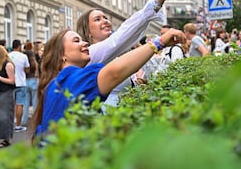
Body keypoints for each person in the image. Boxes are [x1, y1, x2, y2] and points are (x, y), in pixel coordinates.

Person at [30, 28, 186, 137]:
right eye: (76, 41)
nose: (84, 43)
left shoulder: (58, 82)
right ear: (61, 55)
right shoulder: (69, 78)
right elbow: (114, 73)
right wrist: (159, 42)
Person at [76, 0, 180, 107]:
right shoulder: (90, 54)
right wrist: (156, 3)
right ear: (88, 31)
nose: (105, 21)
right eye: (97, 19)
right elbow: (121, 37)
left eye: (105, 18)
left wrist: (136, 82)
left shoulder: (116, 53)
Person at [9, 39, 30, 132]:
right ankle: (18, 125)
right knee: (20, 104)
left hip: (10, 83)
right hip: (21, 82)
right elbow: (27, 69)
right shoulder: (23, 56)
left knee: (10, 104)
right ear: (19, 46)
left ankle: (10, 124)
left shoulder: (8, 56)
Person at [21, 49, 39, 126]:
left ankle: (24, 120)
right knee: (35, 102)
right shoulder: (34, 63)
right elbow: (37, 73)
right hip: (33, 81)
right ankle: (35, 120)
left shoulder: (24, 62)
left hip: (26, 81)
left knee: (26, 103)